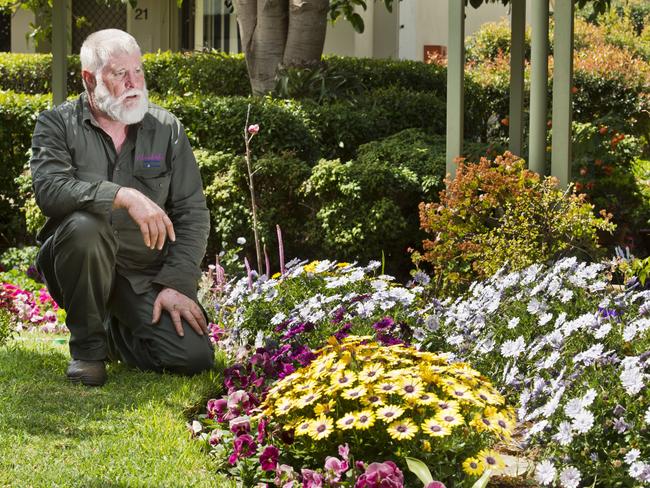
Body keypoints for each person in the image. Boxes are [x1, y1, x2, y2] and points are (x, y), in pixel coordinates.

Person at [30, 29, 214, 386]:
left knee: (193, 358)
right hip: (76, 260)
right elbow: (49, 190)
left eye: (139, 71)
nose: (134, 83)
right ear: (89, 78)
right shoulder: (56, 124)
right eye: (119, 74)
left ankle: (114, 332)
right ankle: (88, 352)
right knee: (86, 227)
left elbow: (192, 213)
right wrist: (121, 195)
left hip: (141, 274)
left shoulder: (166, 129)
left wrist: (176, 283)